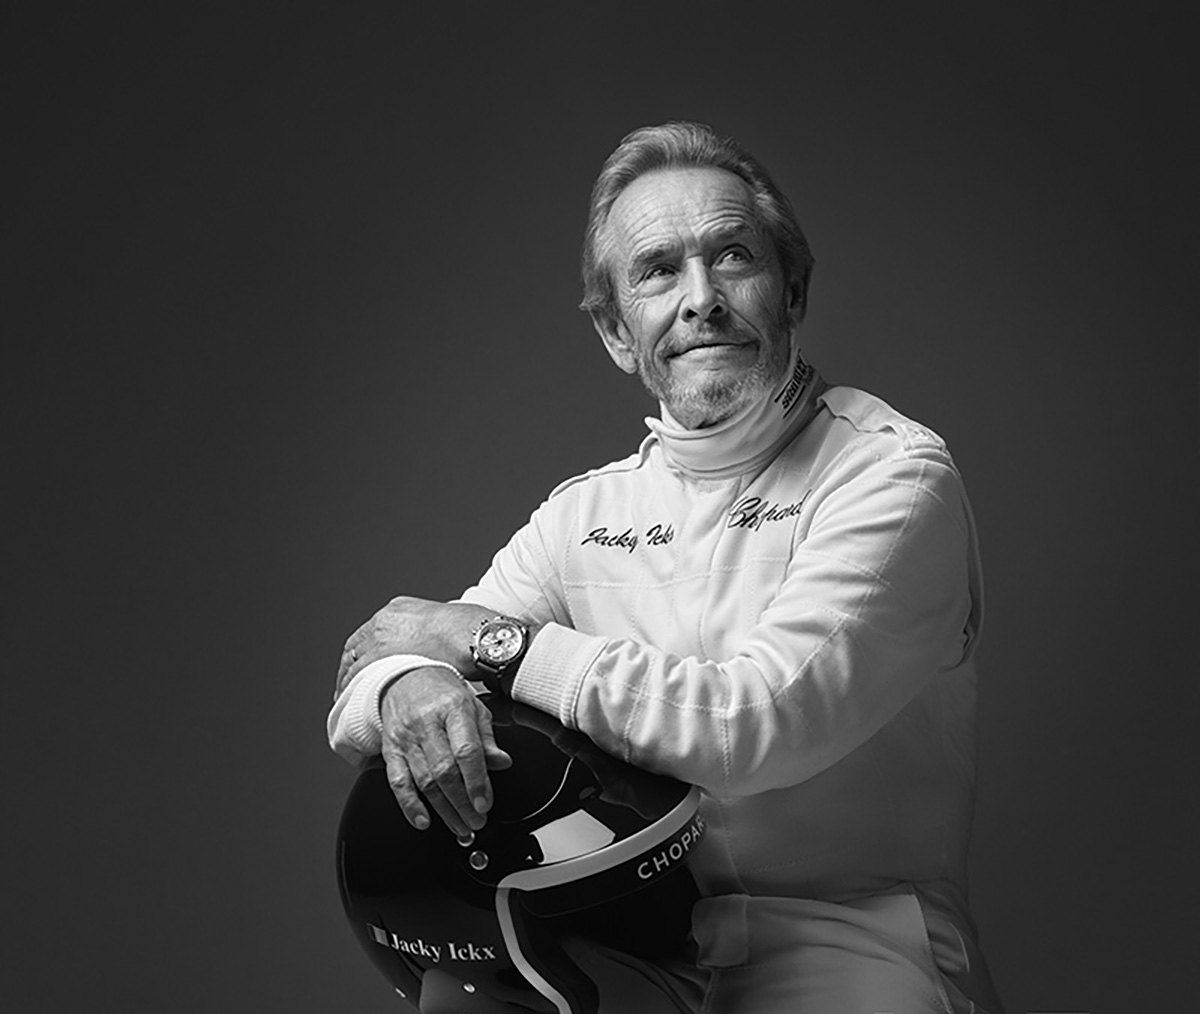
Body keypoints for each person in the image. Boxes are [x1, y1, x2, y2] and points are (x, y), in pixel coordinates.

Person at [329, 121, 1004, 1013]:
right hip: (634, 940)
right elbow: (365, 693)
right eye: (657, 271)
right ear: (617, 331)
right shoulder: (586, 513)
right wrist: (409, 683)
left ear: (793, 290)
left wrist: (485, 645)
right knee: (458, 999)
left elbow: (754, 721)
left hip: (853, 945)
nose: (701, 300)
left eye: (733, 257)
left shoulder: (893, 474)